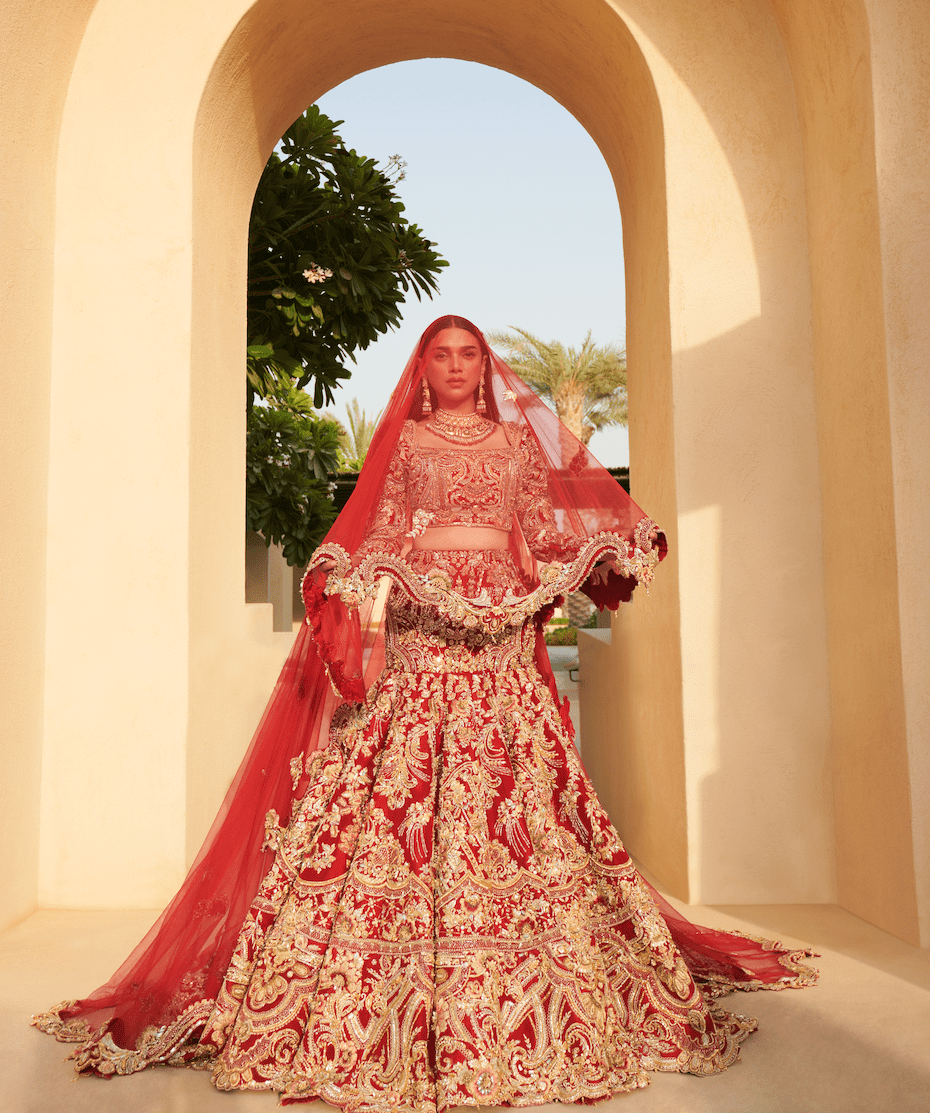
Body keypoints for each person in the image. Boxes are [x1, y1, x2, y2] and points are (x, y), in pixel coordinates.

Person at [34, 315, 816, 1108]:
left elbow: (541, 534)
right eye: (439, 354)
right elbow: (384, 533)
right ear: (425, 367)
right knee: (399, 774)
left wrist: (599, 552)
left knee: (519, 788)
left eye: (466, 353)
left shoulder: (517, 448)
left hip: (501, 627)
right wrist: (363, 571)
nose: (453, 365)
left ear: (485, 366)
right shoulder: (406, 446)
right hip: (423, 628)